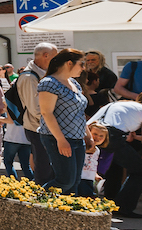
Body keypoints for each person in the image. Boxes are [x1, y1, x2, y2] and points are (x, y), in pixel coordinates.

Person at [89, 92, 142, 219]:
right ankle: (124, 207)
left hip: (93, 131)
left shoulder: (122, 104)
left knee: (115, 167)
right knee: (140, 171)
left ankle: (110, 202)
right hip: (112, 136)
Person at [36, 50, 89, 195]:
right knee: (65, 180)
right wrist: (61, 139)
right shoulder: (49, 83)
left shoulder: (74, 83)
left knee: (74, 182)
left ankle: (64, 215)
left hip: (77, 138)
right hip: (57, 137)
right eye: (81, 64)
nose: (83, 68)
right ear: (69, 63)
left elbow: (79, 111)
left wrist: (87, 134)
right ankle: (34, 203)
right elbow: (47, 113)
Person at [17, 43, 58, 188]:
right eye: (55, 56)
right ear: (46, 56)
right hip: (37, 128)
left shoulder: (42, 73)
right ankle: (42, 199)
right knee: (44, 167)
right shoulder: (29, 77)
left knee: (49, 166)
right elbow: (36, 109)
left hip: (46, 127)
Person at [83, 50, 117, 117]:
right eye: (88, 60)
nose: (90, 62)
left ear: (100, 61)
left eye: (93, 60)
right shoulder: (84, 73)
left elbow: (113, 91)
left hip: (101, 103)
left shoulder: (108, 74)